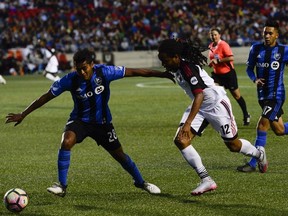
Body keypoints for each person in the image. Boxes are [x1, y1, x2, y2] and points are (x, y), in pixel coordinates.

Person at [5, 48, 175, 197]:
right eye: (78, 69)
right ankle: (61, 185)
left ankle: (141, 182)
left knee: (120, 156)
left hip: (102, 123)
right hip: (80, 121)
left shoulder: (105, 72)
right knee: (67, 141)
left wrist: (163, 74)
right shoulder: (70, 79)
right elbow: (46, 96)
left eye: (84, 69)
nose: (82, 73)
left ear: (92, 64)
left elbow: (135, 72)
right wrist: (24, 114)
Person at [157, 39, 268, 195]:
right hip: (199, 107)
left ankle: (258, 154)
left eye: (165, 60)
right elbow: (164, 73)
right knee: (181, 140)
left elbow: (200, 95)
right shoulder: (175, 66)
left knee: (233, 146)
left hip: (216, 105)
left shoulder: (187, 68)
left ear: (176, 57)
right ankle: (206, 179)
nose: (163, 64)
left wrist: (188, 123)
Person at [237, 20, 288, 172]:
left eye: (270, 33)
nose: (267, 35)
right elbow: (249, 69)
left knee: (262, 125)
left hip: (276, 95)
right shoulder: (255, 48)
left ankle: (254, 162)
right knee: (279, 130)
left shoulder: (284, 50)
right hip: (262, 95)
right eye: (265, 32)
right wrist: (255, 79)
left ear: (276, 35)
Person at [208, 28, 250, 126]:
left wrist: (218, 61)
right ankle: (213, 118)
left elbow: (231, 57)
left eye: (215, 34)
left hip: (228, 74)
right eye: (211, 35)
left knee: (236, 96)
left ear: (219, 35)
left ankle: (246, 114)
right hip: (217, 75)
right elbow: (214, 58)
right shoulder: (210, 46)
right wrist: (212, 63)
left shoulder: (223, 44)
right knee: (213, 94)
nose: (213, 36)